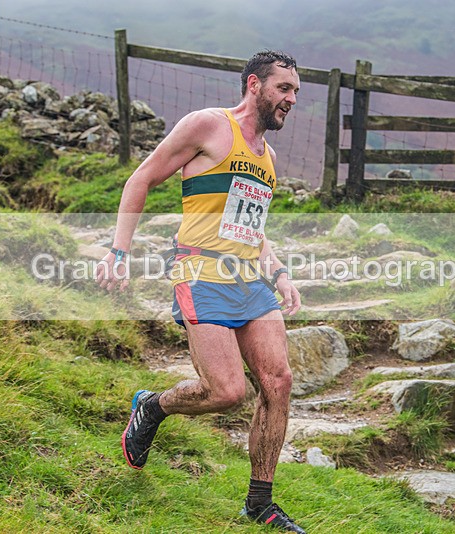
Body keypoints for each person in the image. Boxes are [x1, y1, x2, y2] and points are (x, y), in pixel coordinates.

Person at [96, 50, 305, 533]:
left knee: (278, 382)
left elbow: (252, 228)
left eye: (295, 92)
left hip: (250, 282)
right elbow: (141, 178)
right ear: (254, 84)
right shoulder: (208, 126)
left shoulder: (267, 157)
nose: (291, 100)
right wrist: (118, 253)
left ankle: (260, 503)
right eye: (284, 89)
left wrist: (279, 273)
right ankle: (153, 406)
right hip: (201, 274)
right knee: (227, 391)